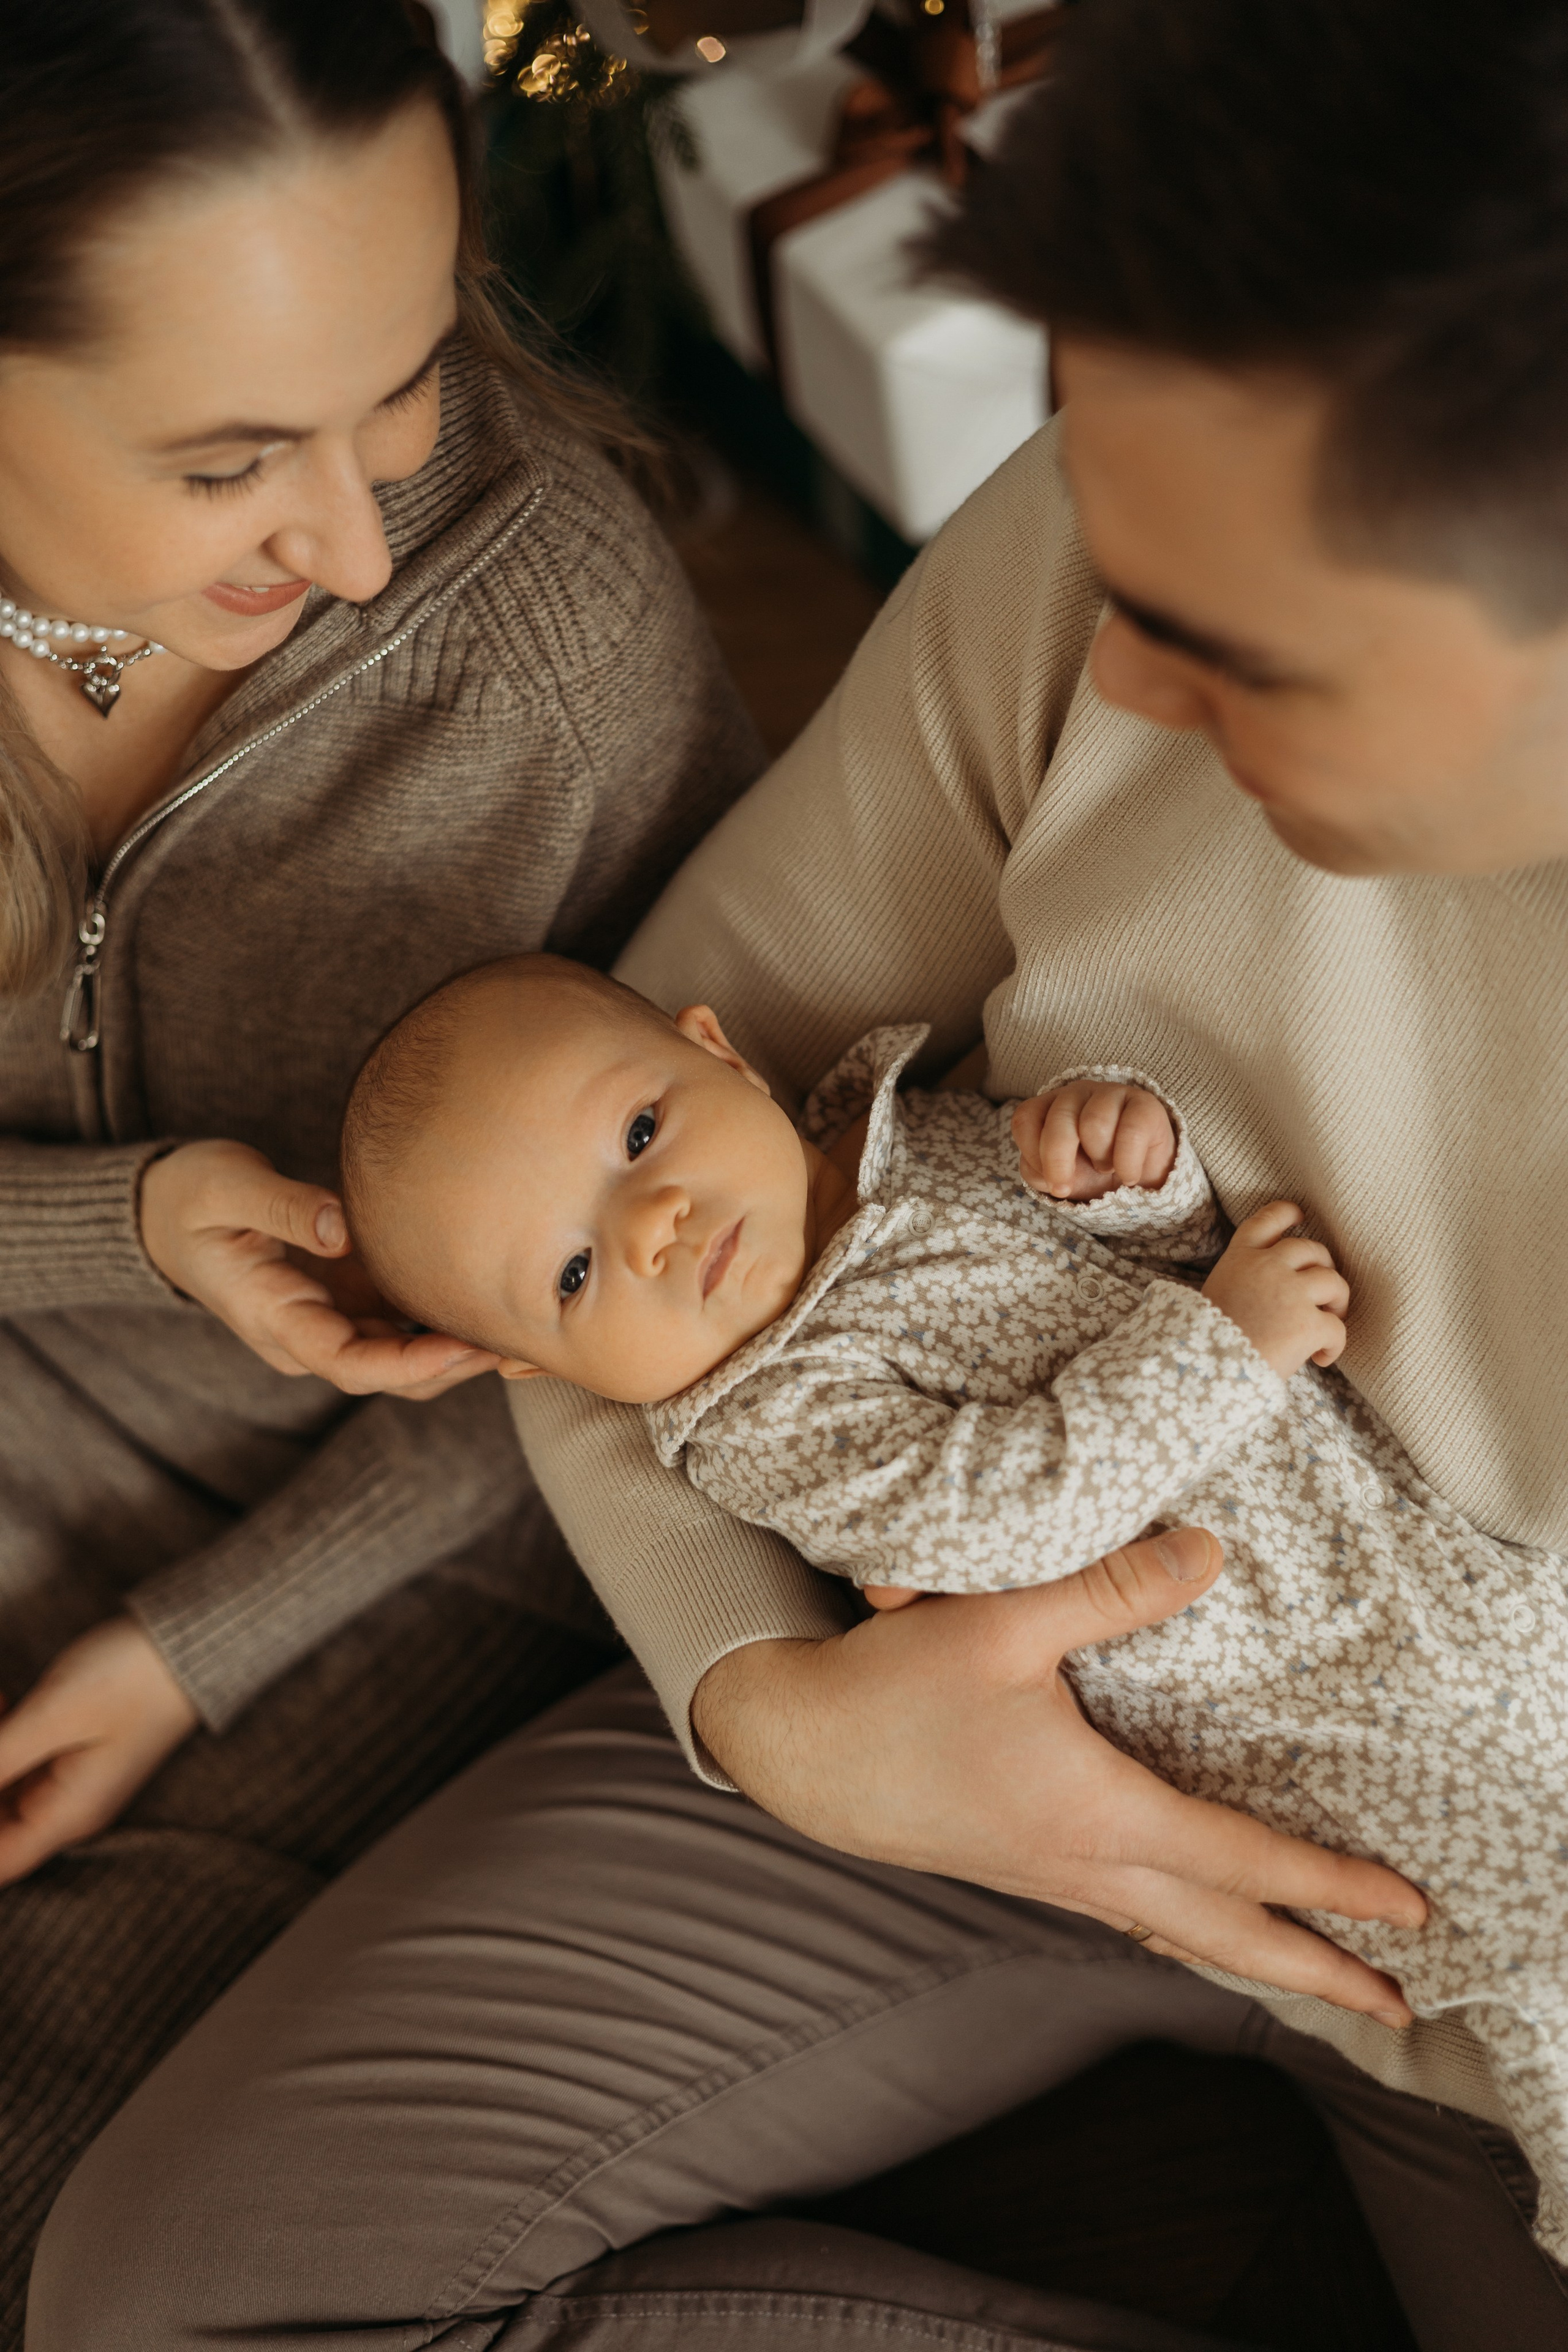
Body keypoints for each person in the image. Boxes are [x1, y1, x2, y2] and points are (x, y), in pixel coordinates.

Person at [27, 0, 1568, 2347]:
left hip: (1496, 1930)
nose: (1107, 684)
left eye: (1230, 645)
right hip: (919, 1682)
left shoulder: (529, 648)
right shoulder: (1128, 524)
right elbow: (585, 1234)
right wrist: (773, 1700)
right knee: (175, 2297)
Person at [0, 0, 768, 2337]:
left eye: (411, 378)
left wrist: (191, 1653)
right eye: (231, 459)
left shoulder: (552, 654)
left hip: (424, 1538)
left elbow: (679, 1333)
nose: (348, 541)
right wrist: (114, 1223)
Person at [338, 949, 1568, 2250]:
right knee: (1539, 1956)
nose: (652, 1224)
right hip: (1293, 1704)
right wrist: (1224, 1341)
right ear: (548, 1368)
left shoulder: (912, 1131)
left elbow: (1160, 1259)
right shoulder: (769, 1415)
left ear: (721, 1053)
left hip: (1413, 1558)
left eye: (640, 1133)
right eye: (577, 1274)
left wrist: (1130, 1181)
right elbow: (1007, 1516)